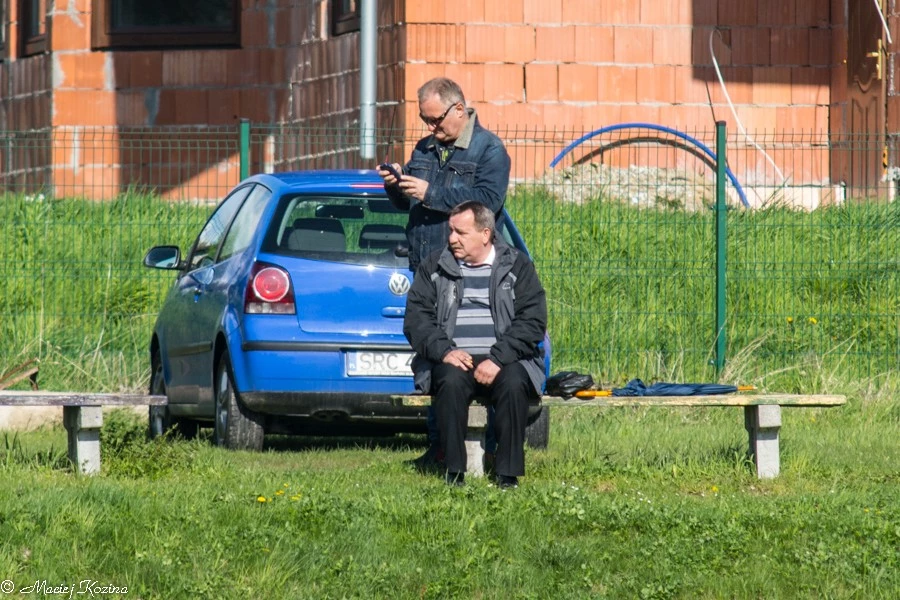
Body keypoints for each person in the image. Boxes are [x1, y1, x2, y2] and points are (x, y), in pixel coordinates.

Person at [378, 77, 511, 468]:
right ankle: (439, 448)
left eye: (435, 120)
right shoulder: (424, 148)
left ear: (459, 109)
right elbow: (409, 205)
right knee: (434, 358)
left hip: (470, 272)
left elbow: (487, 203)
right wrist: (397, 186)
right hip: (427, 270)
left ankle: (491, 450)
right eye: (425, 120)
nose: (430, 127)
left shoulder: (490, 150)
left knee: (478, 359)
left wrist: (430, 192)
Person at [403, 201, 547, 488]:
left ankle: (507, 475)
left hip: (505, 359)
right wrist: (445, 351)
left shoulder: (517, 265)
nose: (452, 238)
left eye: (461, 232)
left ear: (485, 234)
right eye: (451, 231)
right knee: (450, 381)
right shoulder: (434, 265)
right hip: (454, 359)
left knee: (514, 382)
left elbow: (533, 320)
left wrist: (499, 358)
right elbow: (416, 320)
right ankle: (454, 471)